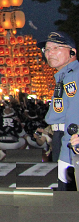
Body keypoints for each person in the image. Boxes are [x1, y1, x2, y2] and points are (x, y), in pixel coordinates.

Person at [40, 31, 79, 190]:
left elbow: (75, 113)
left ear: (72, 52)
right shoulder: (64, 76)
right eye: (47, 49)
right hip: (61, 137)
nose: (50, 53)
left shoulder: (73, 77)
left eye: (56, 48)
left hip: (70, 141)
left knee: (67, 191)